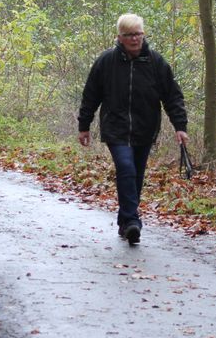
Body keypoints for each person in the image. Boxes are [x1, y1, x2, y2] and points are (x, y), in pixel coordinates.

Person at [77, 13, 189, 245]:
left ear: (143, 34)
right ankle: (132, 221)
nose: (134, 39)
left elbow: (172, 96)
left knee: (136, 174)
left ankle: (125, 221)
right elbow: (91, 95)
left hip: (145, 128)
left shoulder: (155, 62)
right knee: (126, 168)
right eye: (129, 35)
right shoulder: (106, 62)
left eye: (138, 34)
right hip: (115, 128)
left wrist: (180, 126)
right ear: (120, 37)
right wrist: (84, 126)